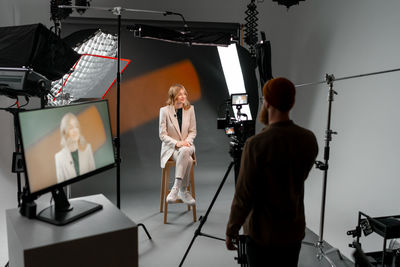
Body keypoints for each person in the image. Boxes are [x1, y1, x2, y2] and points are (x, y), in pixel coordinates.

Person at [225, 77, 319, 266]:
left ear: (266, 102)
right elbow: (299, 177)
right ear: (291, 102)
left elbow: (244, 195)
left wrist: (232, 229)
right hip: (293, 231)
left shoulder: (256, 144)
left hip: (262, 235)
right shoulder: (308, 139)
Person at [159, 84, 197, 206]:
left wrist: (186, 142)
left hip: (188, 145)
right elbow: (162, 135)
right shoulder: (164, 111)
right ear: (173, 96)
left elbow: (193, 131)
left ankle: (175, 188)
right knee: (189, 161)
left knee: (185, 150)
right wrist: (177, 143)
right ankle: (183, 190)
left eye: (184, 93)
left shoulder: (190, 109)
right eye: (180, 94)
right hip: (171, 149)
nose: (183, 96)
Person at [55, 112, 95, 183]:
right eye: (70, 128)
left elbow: (94, 177)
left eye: (76, 126)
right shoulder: (58, 157)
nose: (75, 130)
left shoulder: (87, 148)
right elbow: (61, 185)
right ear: (64, 132)